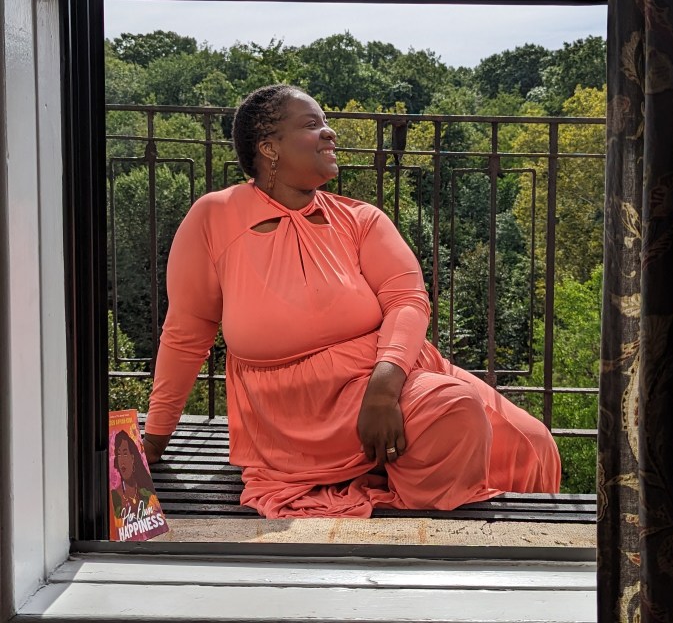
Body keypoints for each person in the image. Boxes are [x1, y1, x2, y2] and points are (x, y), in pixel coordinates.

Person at [143, 84, 560, 518]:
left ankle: (415, 488)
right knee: (455, 409)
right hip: (292, 412)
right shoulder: (214, 217)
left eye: (326, 122)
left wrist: (383, 389)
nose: (330, 132)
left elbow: (408, 300)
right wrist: (155, 437)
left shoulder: (360, 218)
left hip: (386, 375)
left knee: (532, 442)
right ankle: (408, 517)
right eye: (312, 124)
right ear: (269, 147)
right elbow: (186, 334)